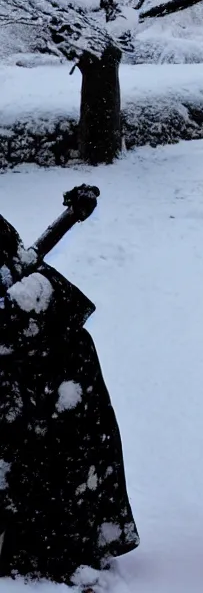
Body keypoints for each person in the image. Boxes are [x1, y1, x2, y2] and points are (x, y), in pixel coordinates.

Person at [0, 215, 139, 585]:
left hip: (50, 366)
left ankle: (59, 543)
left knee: (56, 446)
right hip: (32, 359)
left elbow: (21, 263)